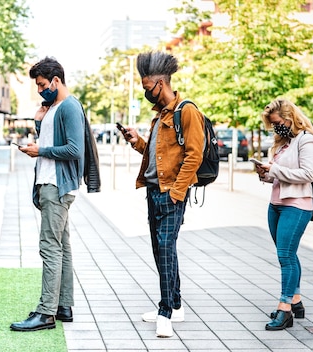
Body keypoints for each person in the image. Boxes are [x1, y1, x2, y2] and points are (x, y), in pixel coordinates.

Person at [120, 51, 204, 338]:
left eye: (147, 88)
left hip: (171, 195)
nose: (146, 93)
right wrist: (137, 142)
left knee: (166, 248)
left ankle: (165, 312)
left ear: (160, 83)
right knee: (161, 251)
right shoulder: (160, 117)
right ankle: (176, 305)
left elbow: (195, 156)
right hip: (154, 191)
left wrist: (176, 194)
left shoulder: (187, 111)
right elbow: (158, 157)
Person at [10, 57, 86, 332]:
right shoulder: (54, 108)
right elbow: (52, 142)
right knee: (61, 246)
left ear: (56, 80)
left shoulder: (69, 107)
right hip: (50, 184)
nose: (40, 90)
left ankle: (45, 313)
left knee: (50, 247)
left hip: (57, 186)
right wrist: (40, 124)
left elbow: (74, 150)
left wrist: (39, 151)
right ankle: (63, 305)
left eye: (42, 84)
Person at [254, 98, 313, 331]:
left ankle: (285, 310)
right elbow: (279, 174)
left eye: (277, 122)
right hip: (276, 204)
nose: (275, 128)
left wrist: (275, 169)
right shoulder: (285, 143)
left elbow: (308, 174)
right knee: (288, 254)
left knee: (285, 255)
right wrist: (266, 173)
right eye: (272, 124)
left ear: (289, 118)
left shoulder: (307, 141)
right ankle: (296, 300)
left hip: (297, 205)